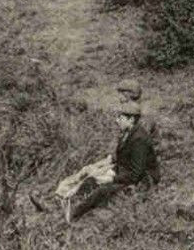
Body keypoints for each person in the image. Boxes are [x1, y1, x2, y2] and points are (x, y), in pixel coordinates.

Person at [56, 81, 159, 221]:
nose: (116, 121)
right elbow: (125, 156)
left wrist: (111, 178)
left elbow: (136, 173)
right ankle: (65, 201)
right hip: (126, 170)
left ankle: (73, 214)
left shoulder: (139, 138)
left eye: (120, 118)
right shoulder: (129, 131)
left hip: (143, 178)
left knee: (102, 189)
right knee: (91, 178)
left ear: (130, 120)